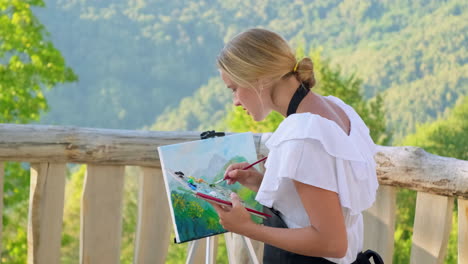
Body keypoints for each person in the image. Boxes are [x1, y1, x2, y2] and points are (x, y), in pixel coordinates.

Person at [208, 28, 384, 264]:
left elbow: (332, 243)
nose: (236, 102)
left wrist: (247, 228)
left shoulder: (303, 135)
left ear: (258, 78)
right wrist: (259, 181)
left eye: (234, 89)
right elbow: (326, 202)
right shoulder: (336, 110)